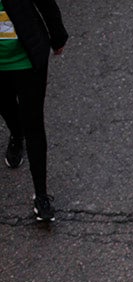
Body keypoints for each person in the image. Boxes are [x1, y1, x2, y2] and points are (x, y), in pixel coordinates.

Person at [0, 0, 67, 223]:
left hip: (27, 61)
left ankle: (41, 196)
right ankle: (16, 135)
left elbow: (45, 3)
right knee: (7, 109)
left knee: (34, 125)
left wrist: (58, 36)